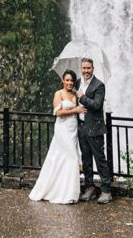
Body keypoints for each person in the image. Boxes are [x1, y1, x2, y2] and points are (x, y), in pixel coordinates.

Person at [28, 70, 84, 204]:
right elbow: (58, 113)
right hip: (62, 129)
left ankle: (67, 191)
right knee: (70, 157)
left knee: (67, 159)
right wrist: (74, 110)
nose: (69, 82)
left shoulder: (76, 94)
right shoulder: (58, 94)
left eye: (72, 80)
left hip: (73, 128)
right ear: (63, 81)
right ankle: (63, 192)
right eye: (67, 80)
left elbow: (82, 109)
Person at [77, 57, 112, 204]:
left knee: (100, 160)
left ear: (93, 69)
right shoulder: (78, 83)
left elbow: (97, 105)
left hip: (95, 129)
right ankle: (89, 187)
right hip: (82, 127)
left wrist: (83, 97)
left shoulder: (99, 85)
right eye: (84, 68)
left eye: (88, 68)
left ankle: (106, 191)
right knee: (86, 159)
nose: (86, 71)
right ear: (81, 68)